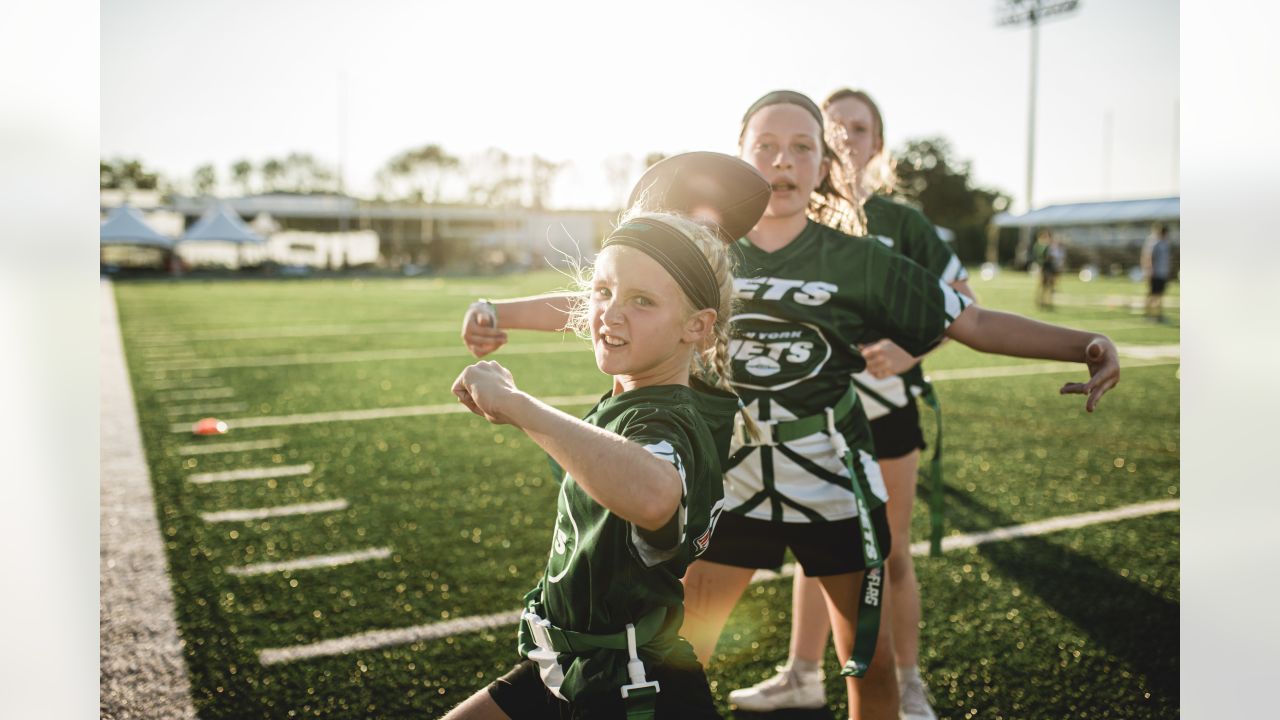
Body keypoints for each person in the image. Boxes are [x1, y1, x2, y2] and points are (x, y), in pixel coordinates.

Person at [664, 90, 1118, 720]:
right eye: (765, 146)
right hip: (731, 477)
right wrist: (501, 316)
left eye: (802, 148)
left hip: (828, 478)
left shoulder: (863, 259)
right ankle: (796, 672)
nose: (783, 162)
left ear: (825, 166)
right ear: (738, 158)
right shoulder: (700, 253)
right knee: (676, 660)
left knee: (869, 667)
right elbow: (608, 306)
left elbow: (971, 320)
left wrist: (1085, 344)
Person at [445, 160, 771, 719]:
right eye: (602, 290)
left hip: (631, 687)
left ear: (697, 326)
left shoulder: (667, 419)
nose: (608, 315)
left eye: (643, 301)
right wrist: (501, 312)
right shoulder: (646, 378)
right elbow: (586, 311)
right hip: (562, 667)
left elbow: (653, 493)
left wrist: (517, 406)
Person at [726, 88, 973, 720]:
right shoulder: (786, 214)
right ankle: (802, 673)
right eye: (837, 130)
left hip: (883, 409)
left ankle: (904, 682)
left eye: (859, 130)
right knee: (823, 547)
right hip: (807, 421)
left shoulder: (898, 222)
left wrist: (909, 353)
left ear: (877, 144)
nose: (848, 140)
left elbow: (960, 307)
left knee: (886, 552)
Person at [1141, 223, 1173, 322]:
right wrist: (1149, 270)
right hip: (1155, 273)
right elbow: (1148, 257)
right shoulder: (1154, 243)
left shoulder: (1165, 244)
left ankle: (1159, 314)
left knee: (1160, 294)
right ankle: (1148, 314)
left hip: (1162, 273)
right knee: (1152, 294)